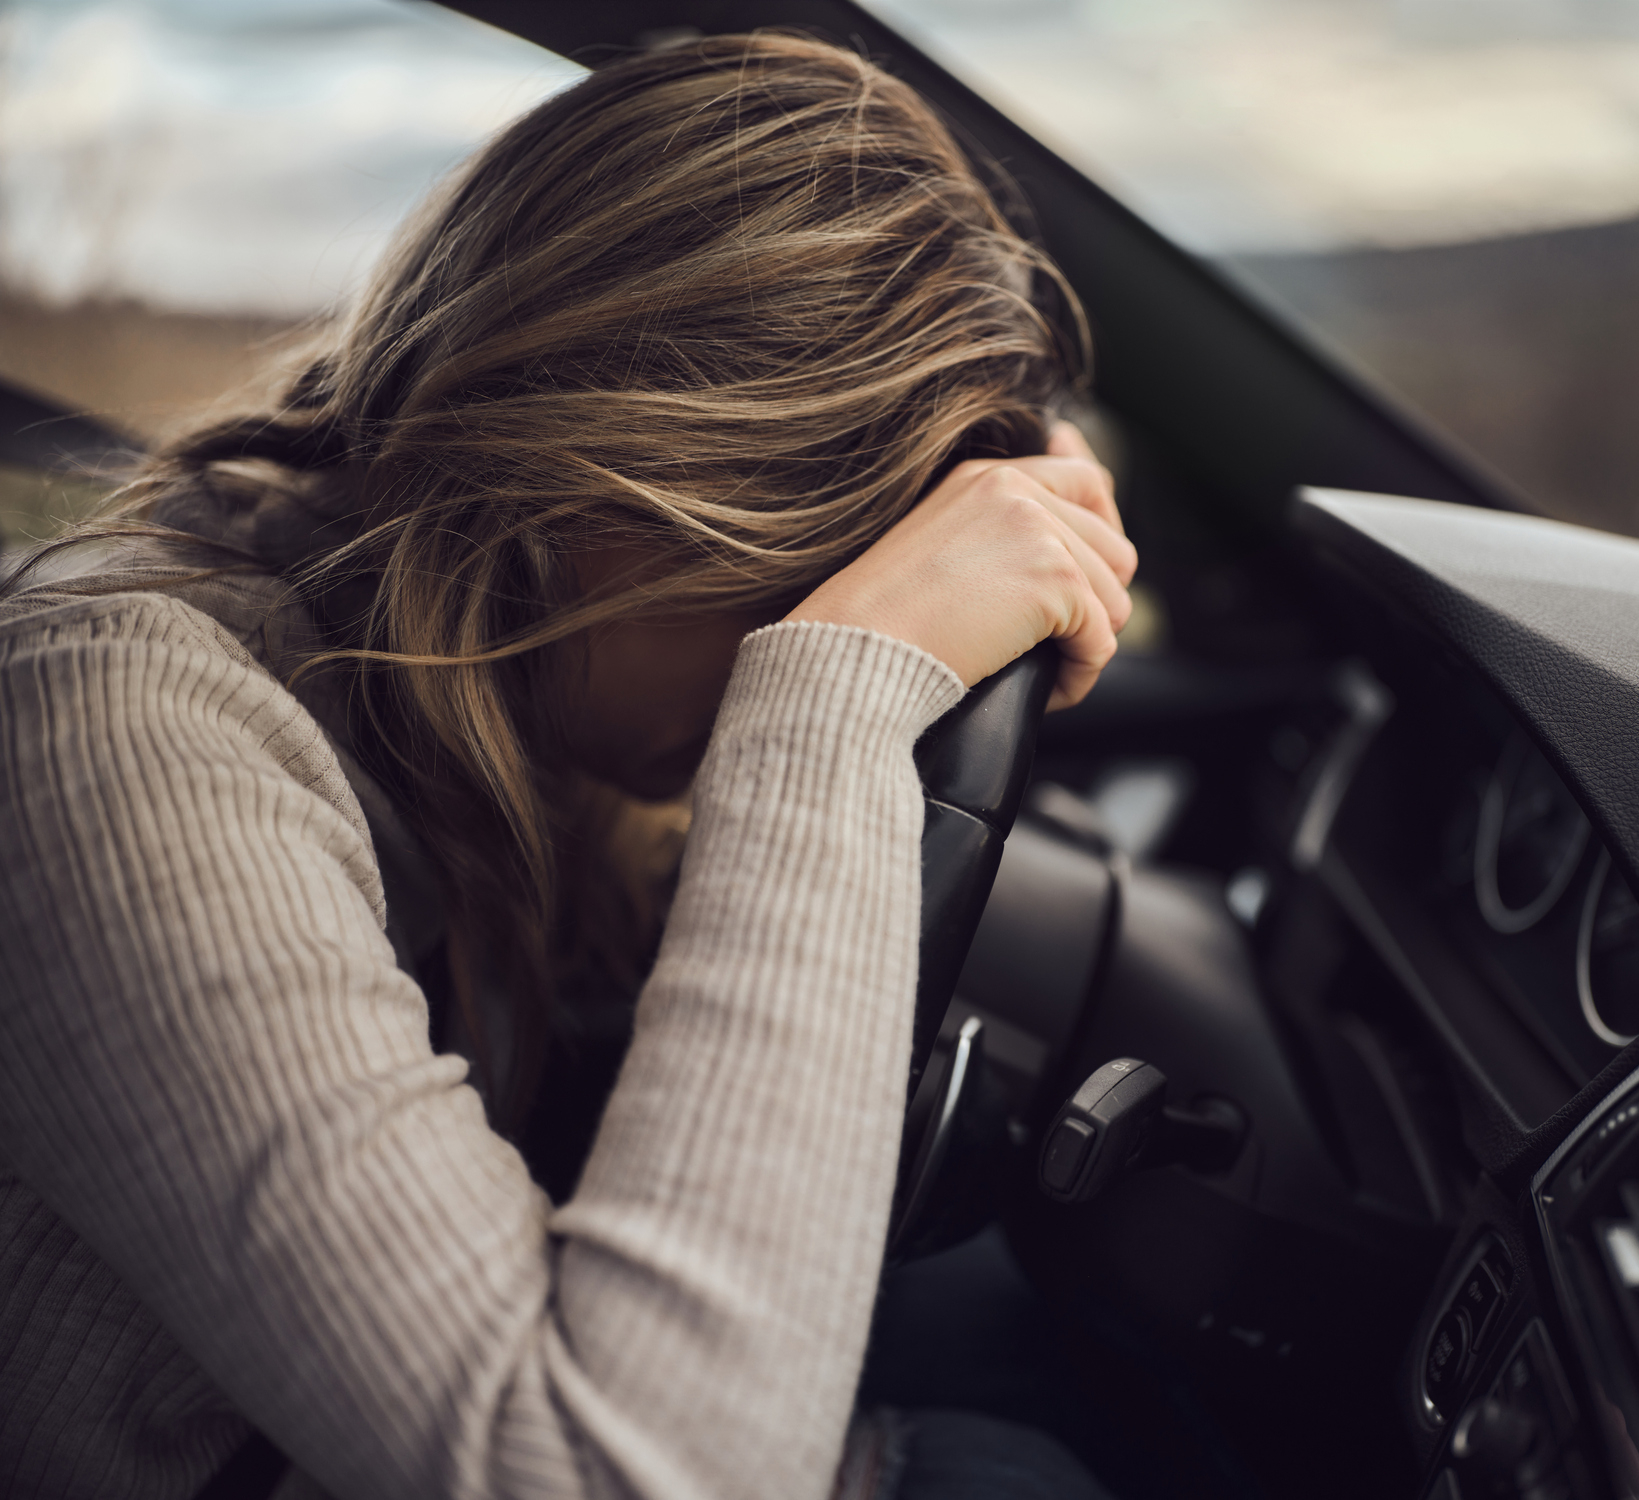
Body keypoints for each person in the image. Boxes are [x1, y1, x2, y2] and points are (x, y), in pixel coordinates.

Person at [0, 32, 1136, 1500]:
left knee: (1012, 1357)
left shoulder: (499, 701)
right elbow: (621, 1474)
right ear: (604, 482)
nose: (817, 622)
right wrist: (836, 699)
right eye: (825, 574)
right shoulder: (116, 724)